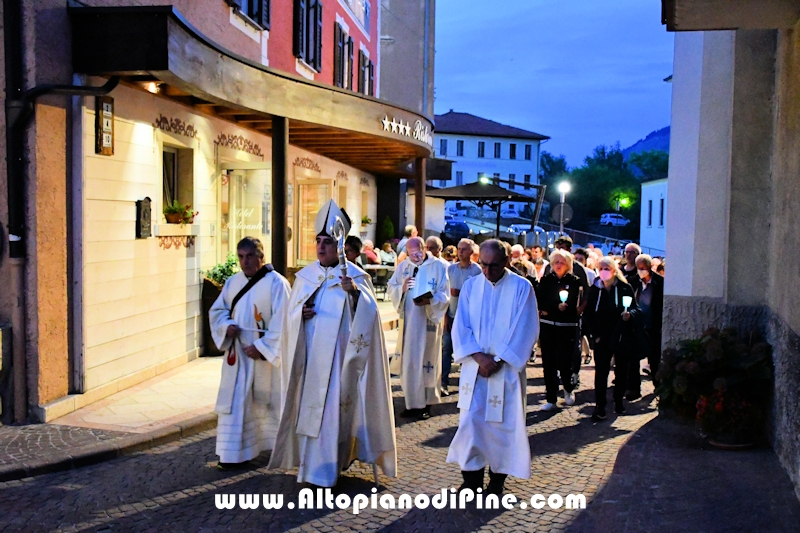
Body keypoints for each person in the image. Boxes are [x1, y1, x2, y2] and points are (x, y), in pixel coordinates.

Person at [268, 200, 396, 487]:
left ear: (338, 245)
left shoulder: (355, 277)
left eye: (327, 242)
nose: (321, 247)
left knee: (333, 416)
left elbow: (370, 319)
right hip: (310, 359)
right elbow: (288, 317)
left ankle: (328, 468)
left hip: (340, 362)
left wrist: (354, 296)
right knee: (311, 412)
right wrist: (298, 315)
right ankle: (311, 466)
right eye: (318, 241)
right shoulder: (305, 277)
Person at [446, 239, 539, 496]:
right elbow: (460, 325)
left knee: (503, 427)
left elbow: (526, 327)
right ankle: (471, 480)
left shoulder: (522, 288)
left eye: (494, 266)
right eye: (483, 265)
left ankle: (497, 482)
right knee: (471, 424)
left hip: (505, 371)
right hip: (475, 370)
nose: (487, 271)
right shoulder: (471, 287)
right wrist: (478, 356)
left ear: (506, 261)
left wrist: (499, 360)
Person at [209, 237, 290, 469]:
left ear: (261, 256)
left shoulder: (277, 284)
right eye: (241, 257)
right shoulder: (233, 283)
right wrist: (226, 326)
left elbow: (284, 321)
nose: (245, 262)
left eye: (250, 256)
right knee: (235, 404)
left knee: (267, 402)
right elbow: (217, 311)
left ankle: (277, 449)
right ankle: (231, 454)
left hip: (264, 360)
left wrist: (263, 347)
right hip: (238, 357)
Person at [388, 237, 449, 418]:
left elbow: (444, 294)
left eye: (417, 252)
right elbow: (392, 286)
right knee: (410, 363)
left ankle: (426, 406)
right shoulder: (403, 266)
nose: (414, 257)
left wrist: (430, 301)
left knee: (427, 362)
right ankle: (411, 403)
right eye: (411, 253)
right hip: (409, 324)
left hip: (428, 321)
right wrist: (403, 288)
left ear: (423, 249)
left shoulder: (438, 266)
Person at [583, 257, 642, 421]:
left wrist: (629, 316)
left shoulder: (624, 288)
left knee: (622, 370)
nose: (603, 271)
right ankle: (600, 406)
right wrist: (594, 335)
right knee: (601, 372)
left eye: (607, 268)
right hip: (602, 337)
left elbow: (635, 309)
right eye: (600, 268)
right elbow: (588, 314)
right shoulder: (595, 289)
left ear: (614, 270)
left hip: (621, 335)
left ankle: (618, 401)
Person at [535, 250, 582, 410]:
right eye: (556, 262)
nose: (559, 265)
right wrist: (555, 307)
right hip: (548, 326)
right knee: (548, 363)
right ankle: (551, 398)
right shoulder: (546, 280)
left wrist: (556, 308)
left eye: (562, 262)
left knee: (565, 362)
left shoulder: (574, 281)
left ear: (568, 265)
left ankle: (568, 389)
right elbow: (541, 301)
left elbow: (572, 306)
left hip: (567, 327)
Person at [443, 239, 482, 395]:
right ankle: (443, 382)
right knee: (446, 348)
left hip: (468, 319)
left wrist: (461, 293)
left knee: (468, 351)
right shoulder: (450, 269)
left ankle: (467, 382)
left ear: (471, 252)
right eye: (459, 249)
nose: (460, 252)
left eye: (464, 249)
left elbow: (480, 295)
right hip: (451, 315)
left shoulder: (477, 271)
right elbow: (444, 294)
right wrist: (445, 317)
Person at [634, 254, 664, 388]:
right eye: (638, 268)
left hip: (653, 325)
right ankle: (634, 387)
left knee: (654, 359)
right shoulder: (634, 281)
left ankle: (657, 385)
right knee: (634, 357)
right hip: (637, 325)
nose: (641, 270)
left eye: (643, 268)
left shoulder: (660, 283)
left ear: (650, 267)